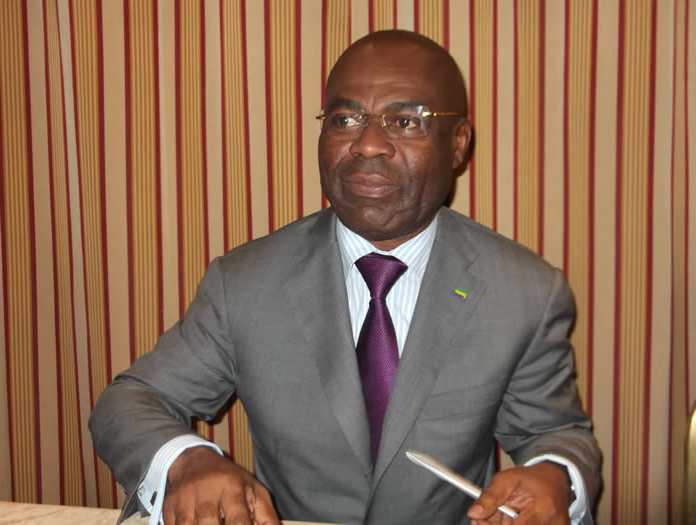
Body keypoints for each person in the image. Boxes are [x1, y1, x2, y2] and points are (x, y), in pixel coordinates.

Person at [90, 29, 601, 525]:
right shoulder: (244, 283)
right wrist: (186, 462)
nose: (368, 145)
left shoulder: (524, 291)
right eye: (345, 118)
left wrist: (555, 476)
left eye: (407, 121)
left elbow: (555, 433)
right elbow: (129, 402)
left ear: (459, 143)